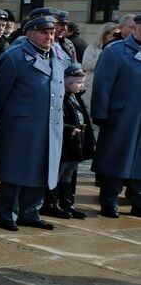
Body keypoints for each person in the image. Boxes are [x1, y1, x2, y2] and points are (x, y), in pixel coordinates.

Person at [0, 15, 67, 232]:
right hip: (21, 125)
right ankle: (7, 213)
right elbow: (0, 93)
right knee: (15, 170)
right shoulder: (15, 56)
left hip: (50, 123)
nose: (49, 36)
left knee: (42, 168)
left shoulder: (58, 55)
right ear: (30, 34)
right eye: (44, 32)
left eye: (51, 32)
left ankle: (31, 212)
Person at [90, 18, 141, 218]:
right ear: (136, 27)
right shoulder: (115, 51)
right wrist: (100, 114)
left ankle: (137, 200)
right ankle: (109, 200)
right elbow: (102, 86)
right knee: (115, 158)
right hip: (121, 117)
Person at [54, 63, 93, 219]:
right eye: (78, 82)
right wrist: (69, 128)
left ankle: (67, 203)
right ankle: (53, 202)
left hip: (75, 143)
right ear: (67, 83)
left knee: (69, 174)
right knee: (60, 173)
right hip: (66, 144)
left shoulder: (75, 97)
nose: (81, 85)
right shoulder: (62, 99)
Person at [82, 21, 121, 100]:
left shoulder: (118, 48)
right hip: (92, 85)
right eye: (114, 34)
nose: (116, 37)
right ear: (105, 34)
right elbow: (85, 66)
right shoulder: (93, 47)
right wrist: (104, 54)